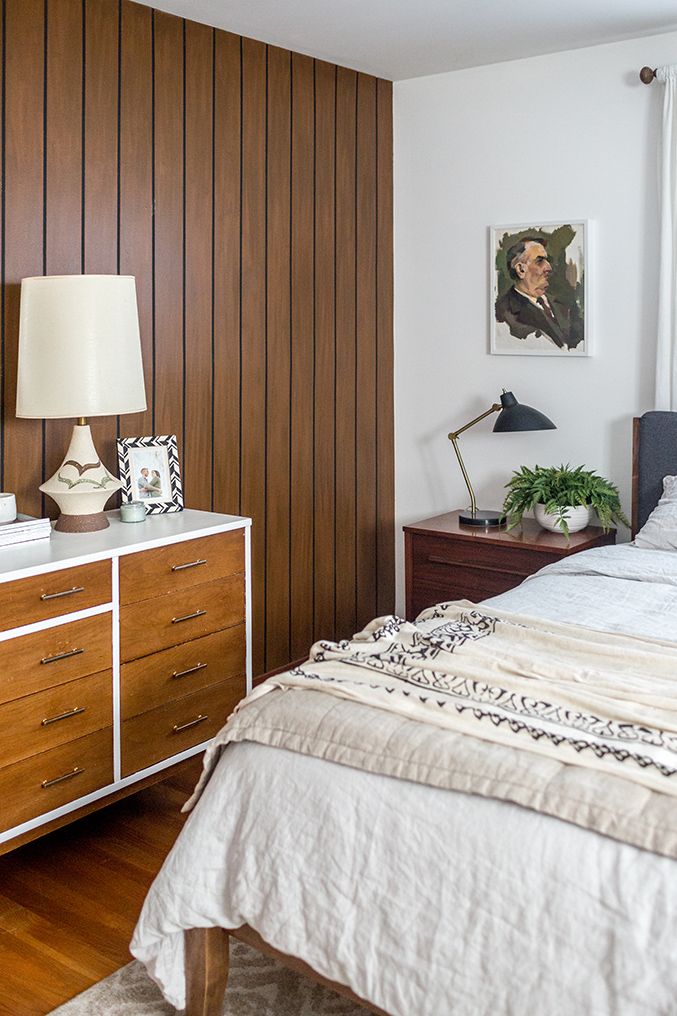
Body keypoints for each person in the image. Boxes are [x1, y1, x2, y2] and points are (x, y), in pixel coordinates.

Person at [495, 237, 582, 350]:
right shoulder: (502, 314)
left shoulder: (564, 304)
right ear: (521, 270)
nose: (549, 268)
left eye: (547, 260)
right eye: (540, 261)